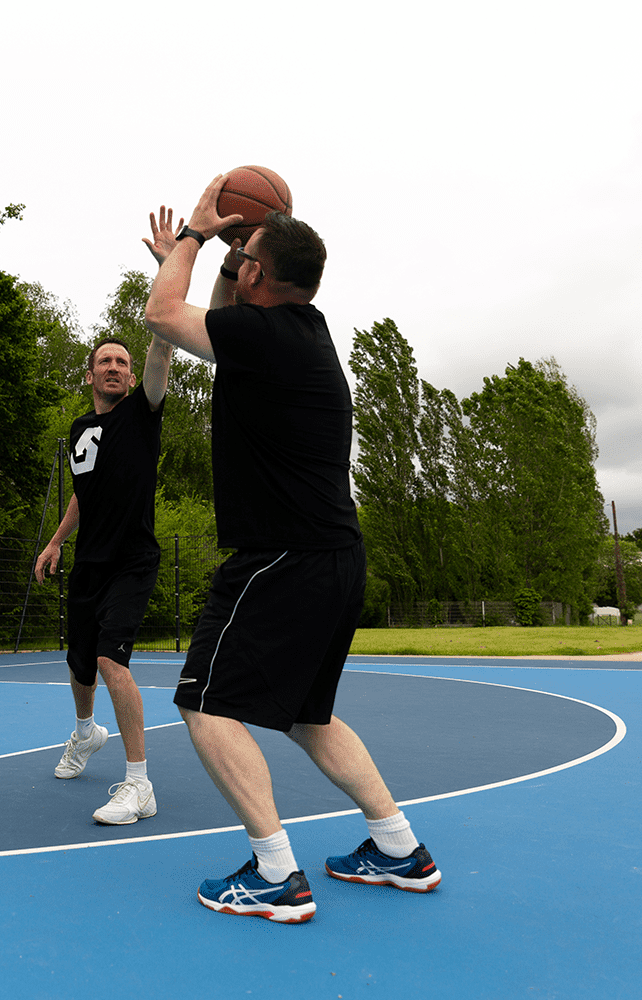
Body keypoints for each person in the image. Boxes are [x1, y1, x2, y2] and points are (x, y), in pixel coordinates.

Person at [142, 177, 442, 923]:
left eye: (246, 255)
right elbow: (216, 317)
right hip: (334, 556)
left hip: (283, 555)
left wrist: (193, 236)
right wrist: (226, 252)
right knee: (308, 715)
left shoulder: (267, 336)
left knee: (203, 701)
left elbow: (163, 314)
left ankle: (275, 872)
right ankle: (399, 848)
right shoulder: (299, 330)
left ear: (257, 276)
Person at [32, 211, 182, 825]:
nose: (117, 367)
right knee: (79, 665)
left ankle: (139, 782)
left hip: (131, 559)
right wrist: (56, 541)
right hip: (88, 561)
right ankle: (85, 732)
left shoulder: (142, 413)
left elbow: (163, 343)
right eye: (107, 362)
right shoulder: (80, 429)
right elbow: (81, 492)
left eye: (123, 360)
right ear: (91, 374)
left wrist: (167, 267)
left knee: (113, 661)